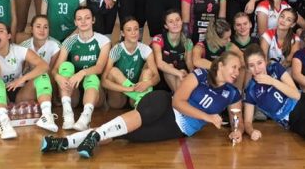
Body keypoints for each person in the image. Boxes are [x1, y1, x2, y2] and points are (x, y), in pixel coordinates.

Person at [40, 52, 244, 159]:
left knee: (119, 134)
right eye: (234, 67)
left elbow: (238, 121)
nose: (237, 72)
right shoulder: (199, 76)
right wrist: (207, 117)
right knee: (139, 117)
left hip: (177, 128)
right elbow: (178, 102)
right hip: (164, 105)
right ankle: (92, 136)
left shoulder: (233, 93)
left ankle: (62, 143)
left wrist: (237, 131)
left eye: (239, 69)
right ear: (221, 65)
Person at [0, 20, 57, 139]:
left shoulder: (18, 49)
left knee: (42, 75)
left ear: (9, 36)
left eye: (0, 31)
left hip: (18, 92)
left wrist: (22, 79)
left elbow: (44, 66)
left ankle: (47, 116)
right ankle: (5, 124)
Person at [54, 6, 110, 131]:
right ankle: (67, 114)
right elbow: (55, 69)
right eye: (79, 19)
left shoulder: (103, 40)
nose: (83, 21)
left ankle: (86, 118)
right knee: (65, 66)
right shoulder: (69, 41)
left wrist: (82, 73)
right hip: (73, 90)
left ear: (93, 20)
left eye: (87, 18)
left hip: (95, 92)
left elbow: (99, 67)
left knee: (92, 76)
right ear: (75, 22)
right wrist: (58, 77)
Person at [102, 17, 157, 111]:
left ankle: (139, 99)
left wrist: (148, 83)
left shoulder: (145, 49)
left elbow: (157, 77)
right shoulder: (117, 49)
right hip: (119, 98)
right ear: (123, 33)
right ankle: (142, 99)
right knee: (113, 71)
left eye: (136, 29)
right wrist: (129, 89)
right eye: (129, 30)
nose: (133, 32)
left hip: (135, 95)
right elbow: (104, 82)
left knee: (148, 71)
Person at [152, 9, 194, 92]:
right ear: (166, 26)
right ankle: (178, 97)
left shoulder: (188, 42)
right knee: (169, 68)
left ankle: (176, 96)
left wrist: (193, 75)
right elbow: (159, 64)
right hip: (163, 77)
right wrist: (178, 73)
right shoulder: (158, 39)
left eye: (177, 20)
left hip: (181, 75)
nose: (175, 23)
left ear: (182, 22)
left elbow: (189, 62)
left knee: (182, 72)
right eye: (171, 22)